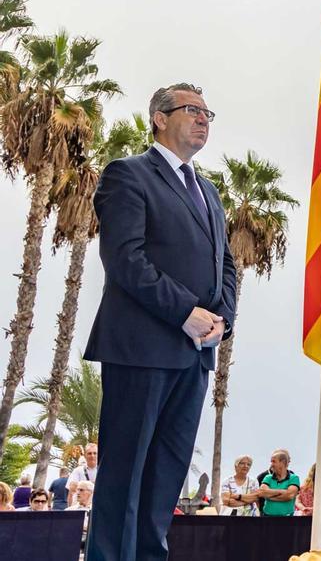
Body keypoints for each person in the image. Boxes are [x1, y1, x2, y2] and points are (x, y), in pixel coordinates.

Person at [84, 83, 238, 561]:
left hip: (195, 357)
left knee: (166, 478)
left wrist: (222, 321)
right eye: (192, 110)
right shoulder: (127, 175)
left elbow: (226, 266)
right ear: (158, 117)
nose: (202, 119)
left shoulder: (208, 191)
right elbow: (125, 259)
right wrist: (184, 313)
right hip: (141, 349)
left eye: (207, 113)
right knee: (124, 473)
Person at [258, 450, 300, 517]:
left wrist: (269, 495)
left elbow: (290, 495)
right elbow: (262, 492)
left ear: (282, 462)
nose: (271, 464)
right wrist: (284, 493)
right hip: (267, 518)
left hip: (287, 519)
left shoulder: (294, 478)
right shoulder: (267, 477)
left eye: (273, 461)